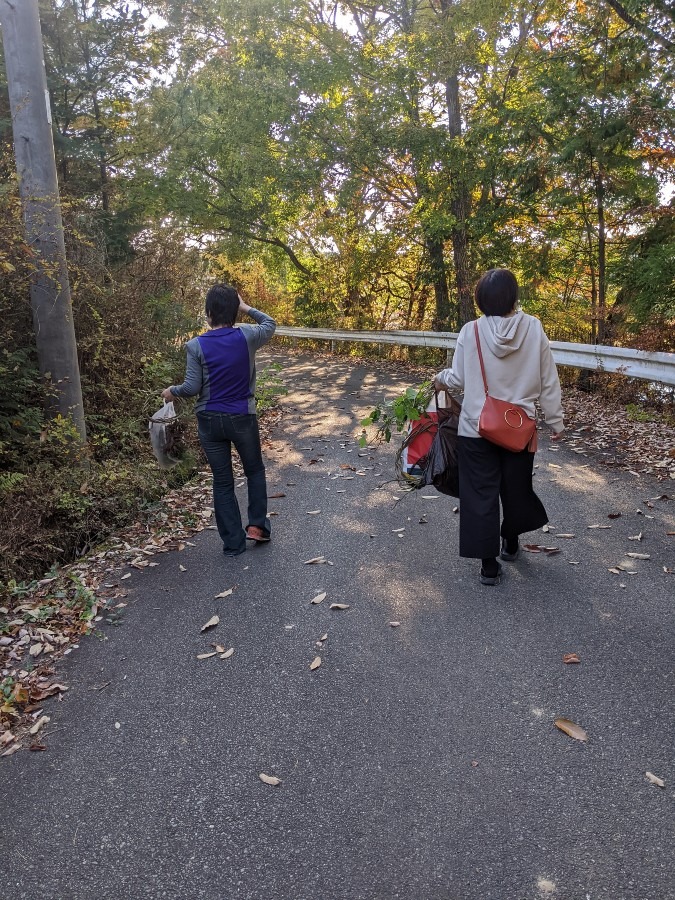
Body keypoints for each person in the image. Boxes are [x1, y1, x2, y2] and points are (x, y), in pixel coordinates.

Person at [433, 268, 564, 585]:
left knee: (480, 494)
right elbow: (548, 378)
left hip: (476, 428)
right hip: (519, 428)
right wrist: (555, 418)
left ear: (480, 300)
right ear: (513, 297)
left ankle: (488, 566)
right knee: (516, 489)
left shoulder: (471, 331)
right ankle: (511, 541)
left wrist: (440, 379)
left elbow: (459, 378)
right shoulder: (533, 328)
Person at [162, 284, 276, 557]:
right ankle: (257, 528)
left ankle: (233, 544)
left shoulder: (196, 345)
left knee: (223, 480)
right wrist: (246, 307)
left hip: (210, 421)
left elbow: (191, 387)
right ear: (234, 311)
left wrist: (171, 392)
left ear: (209, 313)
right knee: (254, 471)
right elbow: (269, 323)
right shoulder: (247, 336)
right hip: (242, 417)